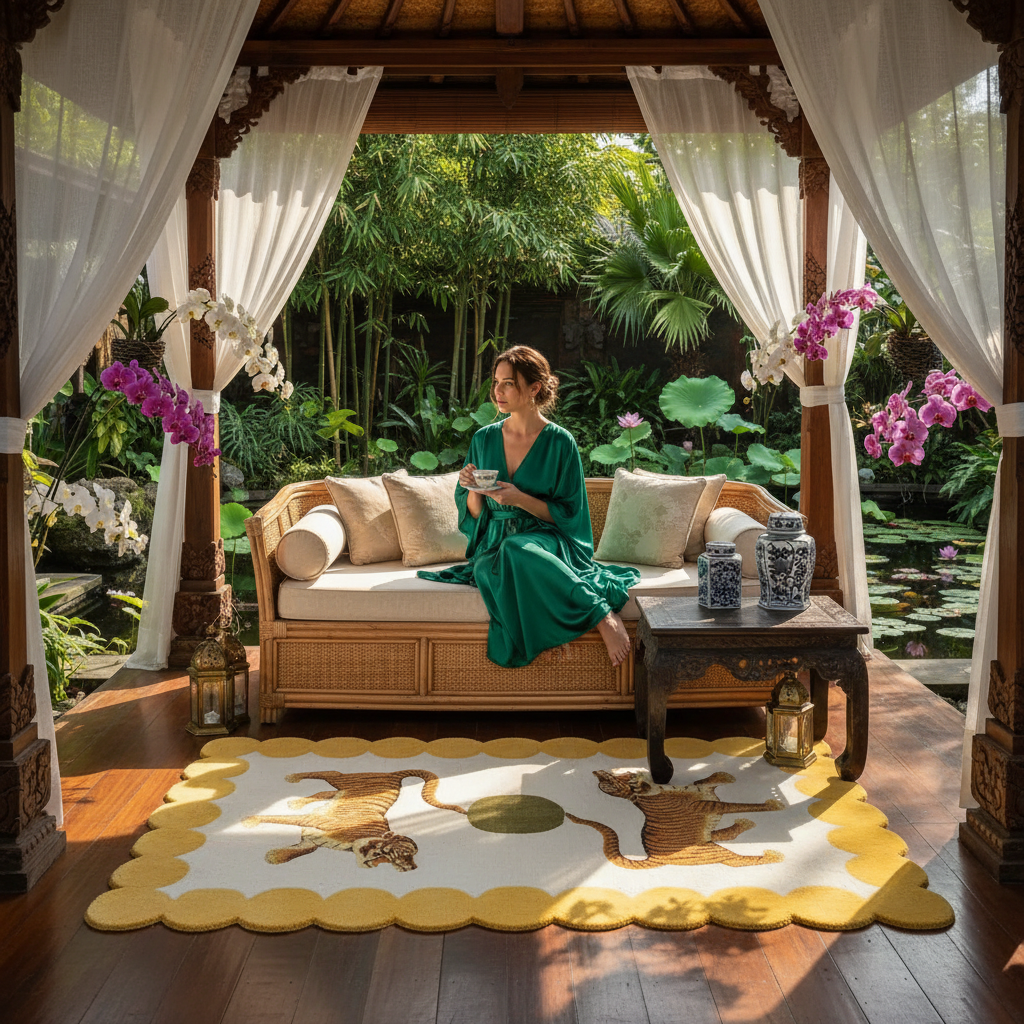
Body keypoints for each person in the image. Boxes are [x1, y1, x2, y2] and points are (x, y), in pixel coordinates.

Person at [417, 346, 639, 668]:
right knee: (485, 568)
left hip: (546, 539)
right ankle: (570, 620)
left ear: (534, 388)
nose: (498, 391)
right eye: (496, 382)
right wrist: (472, 488)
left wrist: (520, 498)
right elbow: (475, 514)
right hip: (494, 542)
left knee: (517, 549)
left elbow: (570, 516)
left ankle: (601, 614)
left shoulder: (561, 442)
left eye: (508, 383)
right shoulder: (483, 439)